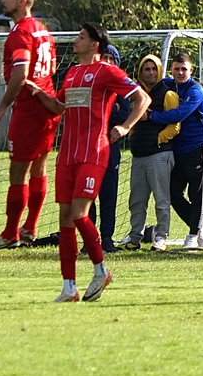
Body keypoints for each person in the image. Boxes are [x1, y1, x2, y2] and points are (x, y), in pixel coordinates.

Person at [26, 23, 150, 303]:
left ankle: (100, 270)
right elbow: (59, 107)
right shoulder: (71, 73)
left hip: (93, 152)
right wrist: (38, 92)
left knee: (80, 214)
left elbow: (142, 98)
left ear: (95, 44)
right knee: (66, 219)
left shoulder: (107, 71)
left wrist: (126, 126)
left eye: (81, 37)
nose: (75, 40)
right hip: (67, 154)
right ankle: (69, 287)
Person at [0, 0, 61, 250]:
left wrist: (3, 105)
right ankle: (29, 228)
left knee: (17, 173)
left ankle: (9, 234)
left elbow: (21, 72)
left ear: (22, 1)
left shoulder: (21, 32)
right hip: (47, 105)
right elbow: (52, 67)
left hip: (29, 109)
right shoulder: (43, 30)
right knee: (39, 168)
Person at [149, 53, 203, 249]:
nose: (180, 72)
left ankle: (193, 235)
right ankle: (199, 226)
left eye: (184, 69)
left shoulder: (195, 90)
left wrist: (151, 116)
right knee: (173, 192)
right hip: (177, 150)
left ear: (191, 70)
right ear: (171, 70)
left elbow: (179, 114)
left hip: (197, 146)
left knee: (197, 193)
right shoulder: (169, 84)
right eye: (176, 69)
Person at [119, 54, 179, 251]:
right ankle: (135, 236)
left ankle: (161, 237)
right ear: (141, 72)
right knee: (137, 200)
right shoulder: (135, 94)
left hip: (159, 155)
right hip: (138, 155)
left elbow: (175, 126)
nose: (151, 73)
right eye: (147, 69)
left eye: (154, 69)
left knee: (161, 199)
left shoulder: (168, 94)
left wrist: (156, 140)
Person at [87, 45, 131, 254]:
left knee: (108, 194)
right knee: (88, 194)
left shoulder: (121, 88)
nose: (107, 61)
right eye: (104, 57)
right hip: (89, 148)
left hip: (110, 147)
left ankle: (107, 239)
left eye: (111, 58)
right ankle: (90, 239)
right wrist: (111, 110)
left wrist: (108, 111)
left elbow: (124, 115)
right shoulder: (90, 84)